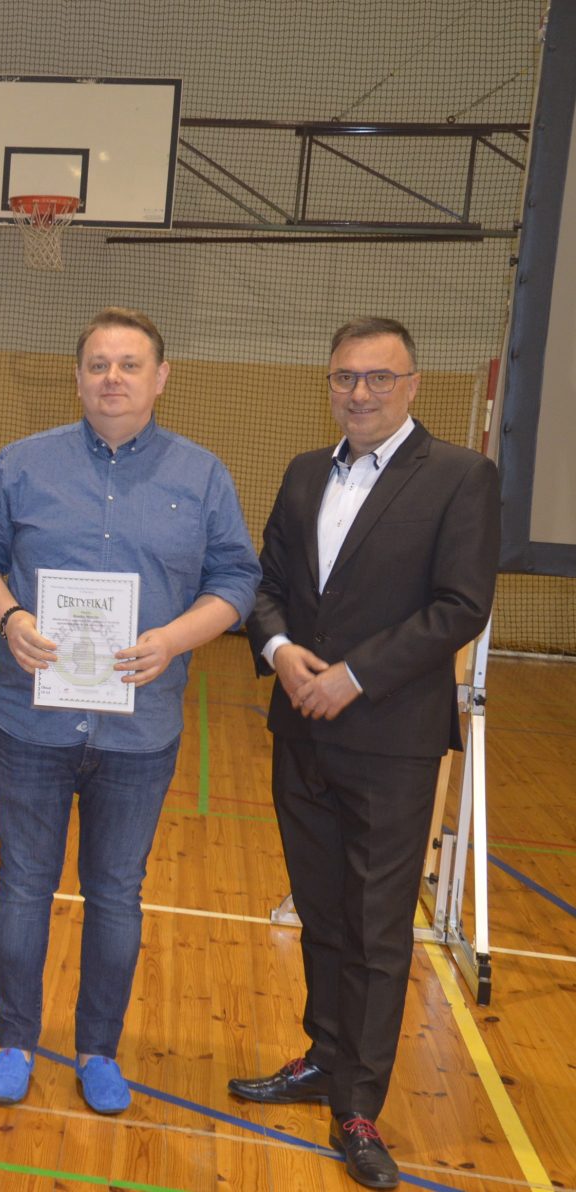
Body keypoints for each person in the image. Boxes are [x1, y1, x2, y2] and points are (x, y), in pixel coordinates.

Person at [0, 307, 259, 1115]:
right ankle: (15, 1041)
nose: (112, 378)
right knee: (24, 884)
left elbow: (237, 580)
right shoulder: (22, 464)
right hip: (31, 722)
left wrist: (175, 639)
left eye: (130, 365)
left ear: (161, 378)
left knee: (117, 893)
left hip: (140, 729)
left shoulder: (202, 476)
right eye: (98, 364)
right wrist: (10, 618)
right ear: (78, 376)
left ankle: (98, 1051)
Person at [230, 317, 499, 1189]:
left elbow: (460, 605)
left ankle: (358, 1105)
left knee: (378, 928)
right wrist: (280, 652)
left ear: (412, 385)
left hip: (391, 740)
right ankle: (324, 1056)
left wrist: (354, 676)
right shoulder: (306, 472)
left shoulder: (460, 477)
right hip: (300, 729)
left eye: (379, 378)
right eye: (345, 376)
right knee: (322, 911)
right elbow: (267, 585)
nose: (360, 392)